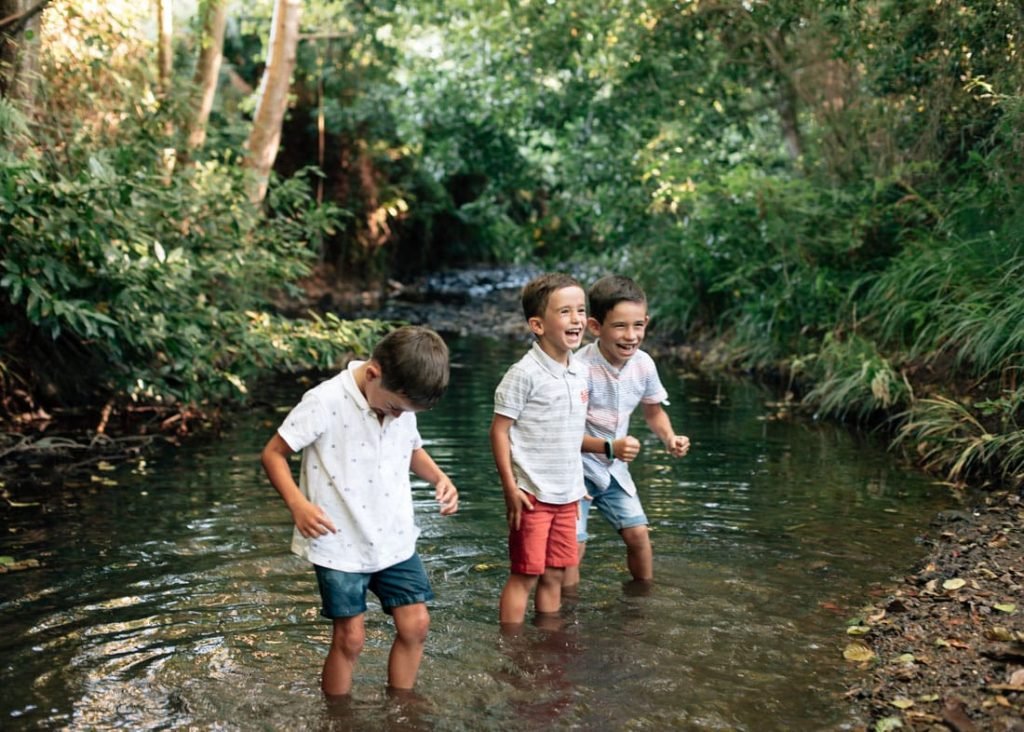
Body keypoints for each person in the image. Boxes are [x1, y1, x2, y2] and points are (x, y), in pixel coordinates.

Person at [261, 325, 459, 697]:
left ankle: (402, 711)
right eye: (395, 407)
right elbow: (273, 454)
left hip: (394, 537)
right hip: (339, 542)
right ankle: (338, 718)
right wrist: (297, 504)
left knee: (415, 625)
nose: (399, 416)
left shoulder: (398, 402)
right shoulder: (324, 401)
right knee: (351, 638)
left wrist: (438, 478)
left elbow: (411, 447)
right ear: (373, 373)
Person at [563, 275, 690, 589]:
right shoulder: (578, 369)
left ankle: (641, 602)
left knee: (638, 536)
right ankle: (565, 616)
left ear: (646, 322)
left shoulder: (644, 365)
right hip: (575, 470)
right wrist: (610, 447)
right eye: (620, 326)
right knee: (573, 549)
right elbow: (562, 435)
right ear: (595, 327)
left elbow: (654, 411)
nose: (631, 336)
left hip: (614, 469)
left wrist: (669, 438)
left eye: (638, 326)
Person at [490, 272, 590, 626]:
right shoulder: (523, 374)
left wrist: (578, 487)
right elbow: (499, 432)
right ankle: (513, 648)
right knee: (526, 575)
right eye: (565, 312)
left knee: (556, 574)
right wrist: (510, 488)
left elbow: (569, 434)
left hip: (567, 496)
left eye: (581, 310)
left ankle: (550, 643)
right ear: (537, 324)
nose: (577, 319)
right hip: (531, 495)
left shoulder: (581, 371)